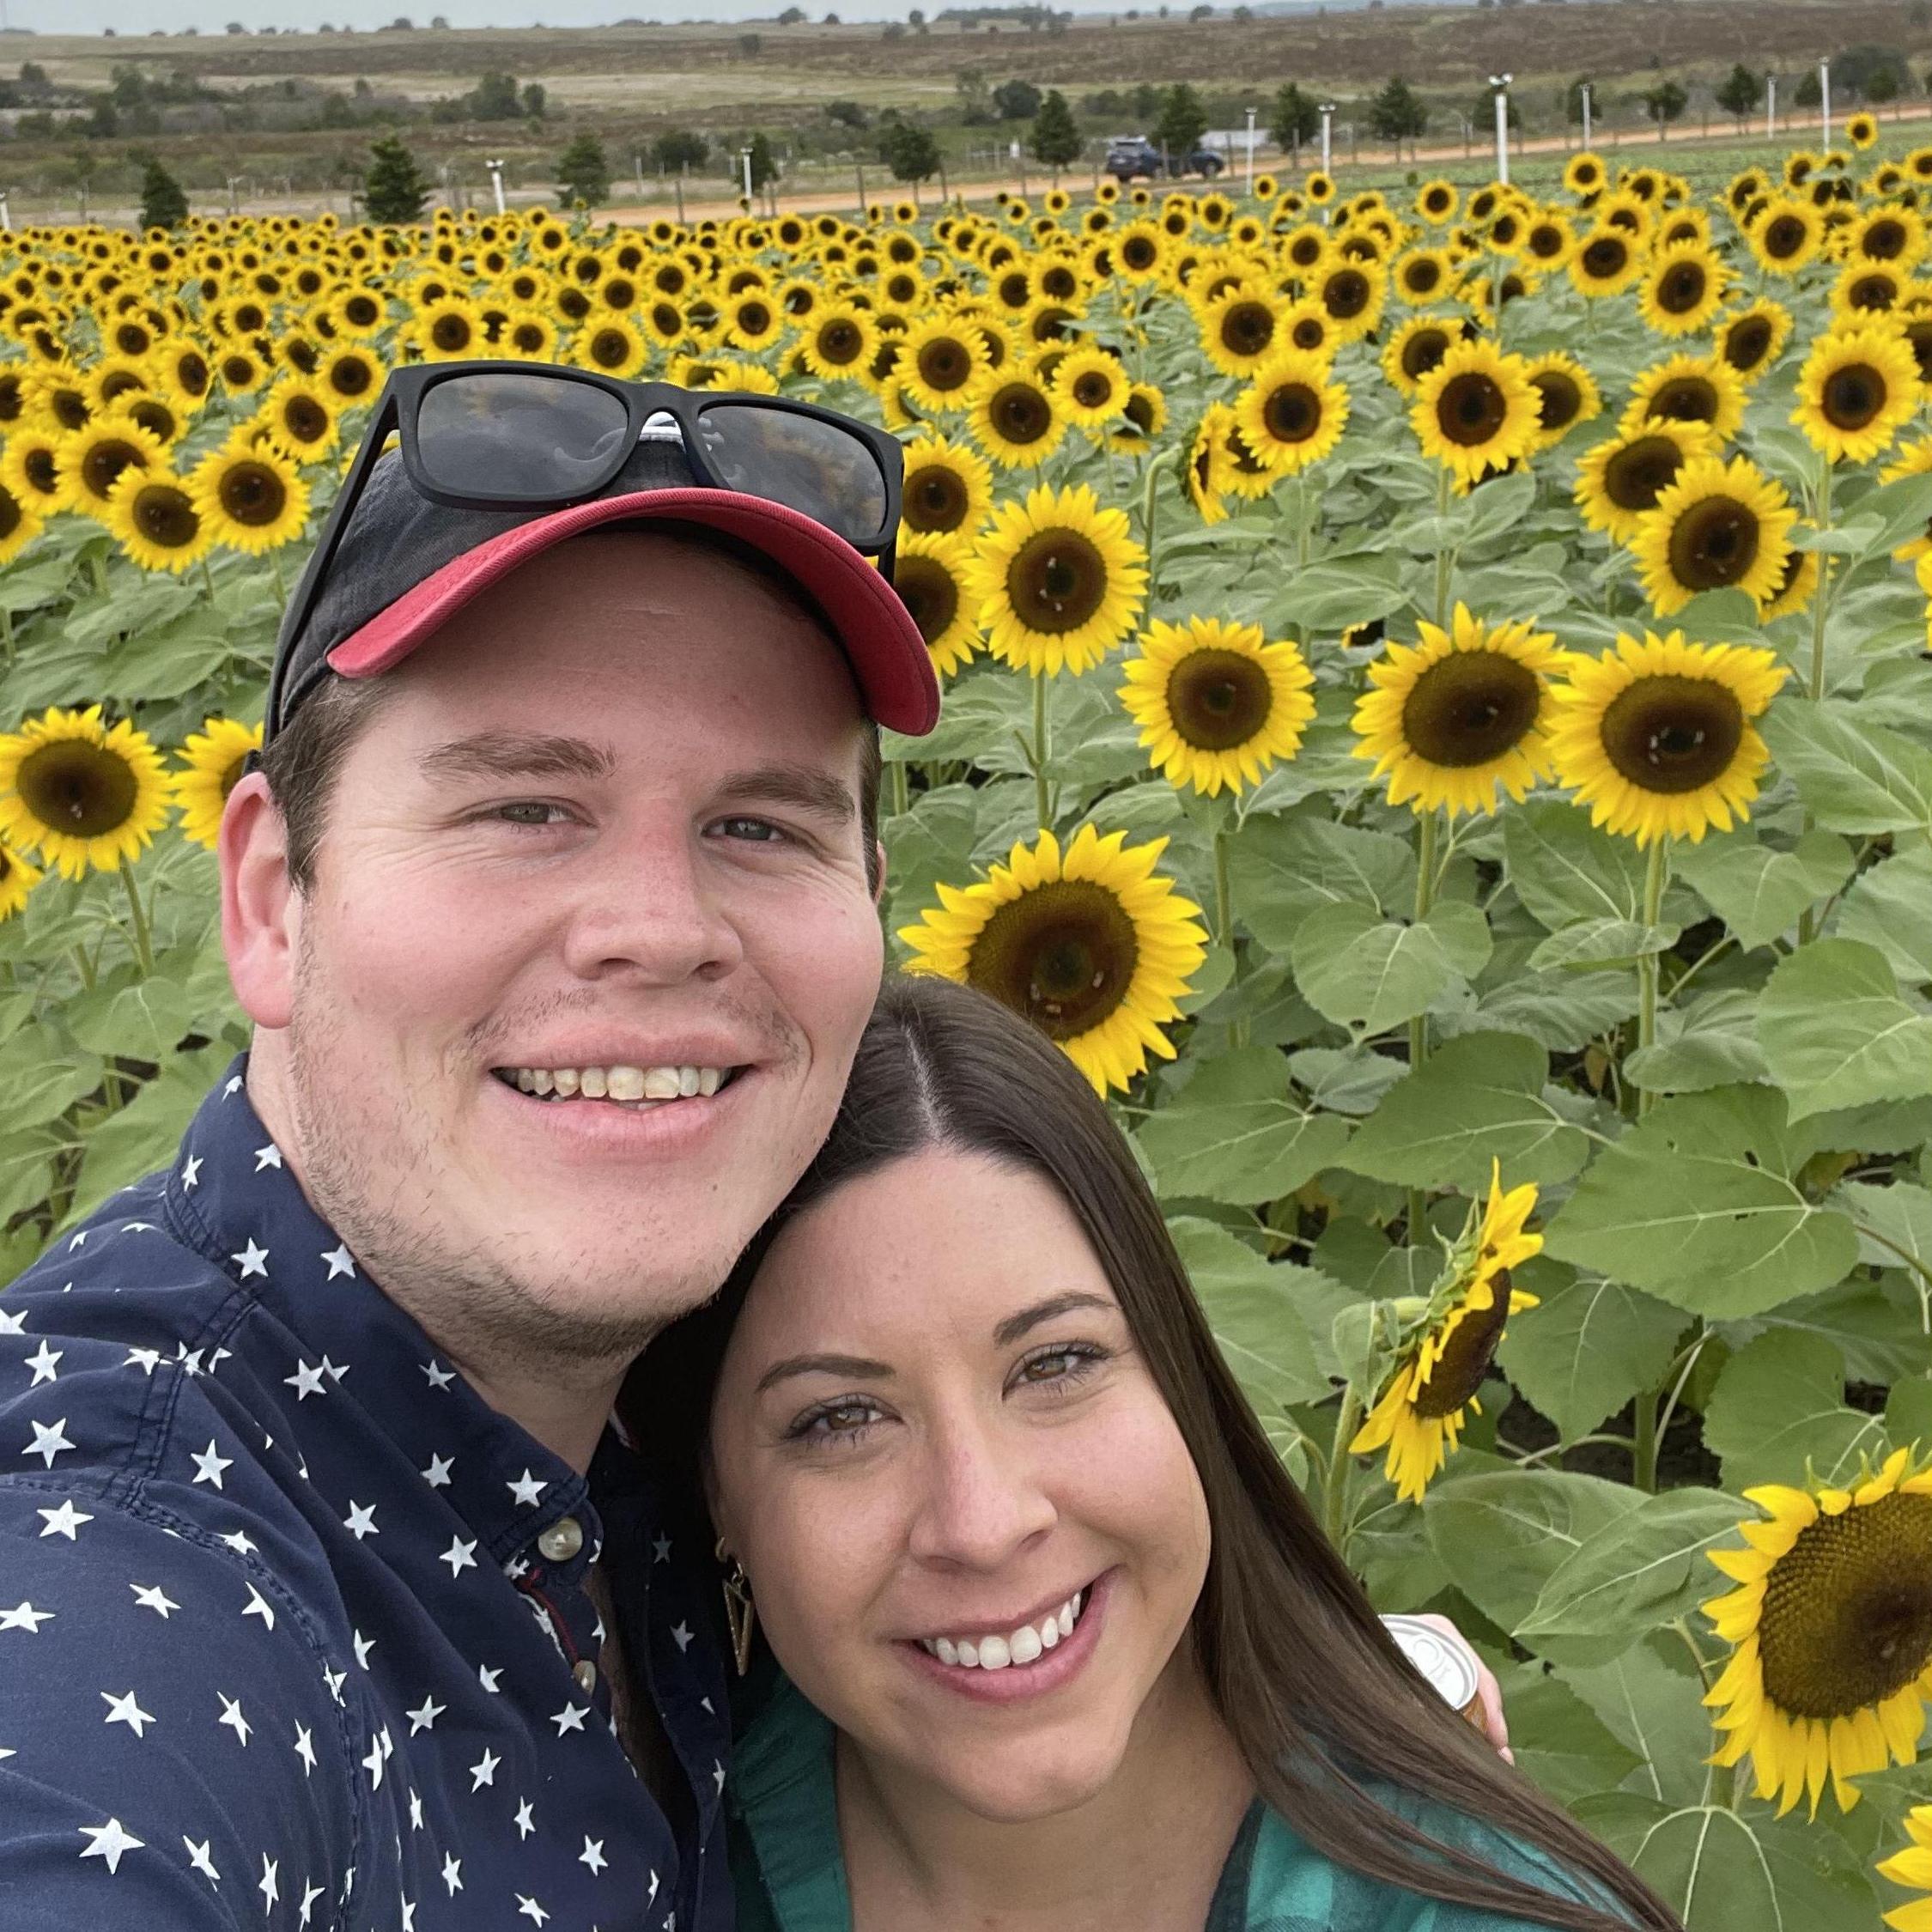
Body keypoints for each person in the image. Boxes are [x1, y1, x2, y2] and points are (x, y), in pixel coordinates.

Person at [0, 366, 1503, 1928]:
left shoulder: (650, 1390)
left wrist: (1321, 1690)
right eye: (524, 806)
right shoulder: (124, 1571)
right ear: (266, 896)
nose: (657, 932)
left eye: (761, 825)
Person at [629, 974, 1680, 1932]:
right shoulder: (622, 1858)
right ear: (713, 1487)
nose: (985, 1523)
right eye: (841, 1420)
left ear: (1182, 1372)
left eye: (1056, 1365)